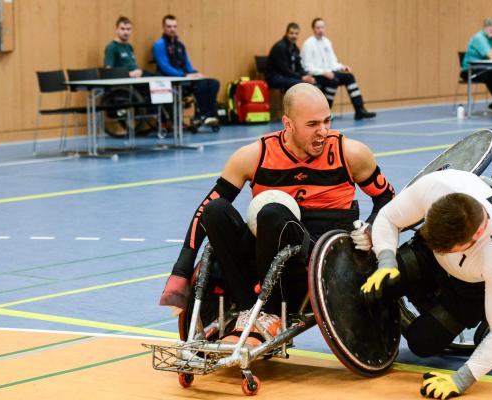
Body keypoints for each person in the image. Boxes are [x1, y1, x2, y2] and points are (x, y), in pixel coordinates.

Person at [159, 83, 395, 343]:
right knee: (216, 211)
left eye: (327, 121)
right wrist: (181, 269)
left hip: (318, 253)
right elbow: (206, 208)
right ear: (288, 123)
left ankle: (267, 314)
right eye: (313, 124)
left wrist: (373, 227)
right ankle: (251, 311)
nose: (323, 131)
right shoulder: (254, 155)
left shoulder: (350, 153)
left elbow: (388, 198)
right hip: (264, 252)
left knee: (272, 213)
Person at [361, 169, 492, 400]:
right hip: (434, 258)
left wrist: (461, 379)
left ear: (477, 234)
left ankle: (425, 311)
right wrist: (386, 260)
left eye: (447, 249)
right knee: (375, 279)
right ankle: (404, 285)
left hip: (471, 288)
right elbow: (388, 217)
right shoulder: (438, 185)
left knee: (423, 343)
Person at [301, 18, 376, 120]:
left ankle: (359, 109)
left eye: (322, 27)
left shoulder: (327, 42)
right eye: (318, 27)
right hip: (316, 74)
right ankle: (325, 112)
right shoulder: (308, 44)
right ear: (313, 29)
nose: (320, 30)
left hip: (330, 73)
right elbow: (307, 66)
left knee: (349, 77)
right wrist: (323, 72)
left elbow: (333, 62)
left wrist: (342, 67)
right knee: (333, 80)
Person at [152, 14, 220, 127]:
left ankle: (210, 115)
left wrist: (195, 73)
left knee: (213, 83)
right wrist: (183, 75)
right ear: (163, 27)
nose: (172, 29)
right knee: (201, 85)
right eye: (169, 26)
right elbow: (164, 66)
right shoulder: (159, 45)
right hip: (171, 79)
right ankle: (203, 115)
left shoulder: (180, 45)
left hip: (184, 76)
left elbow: (187, 64)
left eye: (174, 26)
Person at [266, 23, 317, 91]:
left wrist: (307, 76)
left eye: (296, 33)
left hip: (286, 76)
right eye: (291, 33)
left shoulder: (295, 48)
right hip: (274, 77)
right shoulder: (280, 47)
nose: (294, 36)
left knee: (313, 82)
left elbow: (299, 67)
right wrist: (302, 77)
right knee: (301, 84)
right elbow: (284, 70)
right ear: (286, 33)